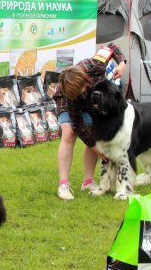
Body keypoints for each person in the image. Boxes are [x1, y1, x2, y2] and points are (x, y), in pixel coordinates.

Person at [53, 43, 126, 200]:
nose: (81, 93)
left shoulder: (95, 64)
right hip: (65, 100)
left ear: (85, 81)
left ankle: (88, 181)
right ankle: (63, 185)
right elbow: (78, 125)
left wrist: (121, 64)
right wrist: (96, 149)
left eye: (81, 90)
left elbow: (112, 46)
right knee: (69, 134)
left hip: (91, 97)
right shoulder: (72, 96)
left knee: (94, 132)